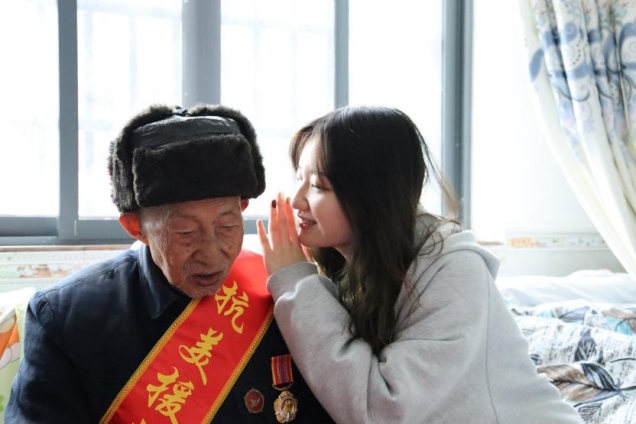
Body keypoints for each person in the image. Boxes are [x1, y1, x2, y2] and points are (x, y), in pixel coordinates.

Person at [7, 104, 334, 423]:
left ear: (243, 210)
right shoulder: (68, 318)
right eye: (185, 233)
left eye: (227, 227)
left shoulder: (280, 297)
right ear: (136, 227)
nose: (211, 254)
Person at [257, 105, 584, 424]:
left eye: (318, 186)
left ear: (371, 194)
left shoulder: (455, 272)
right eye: (299, 179)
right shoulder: (351, 266)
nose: (296, 200)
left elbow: (383, 410)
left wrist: (296, 283)